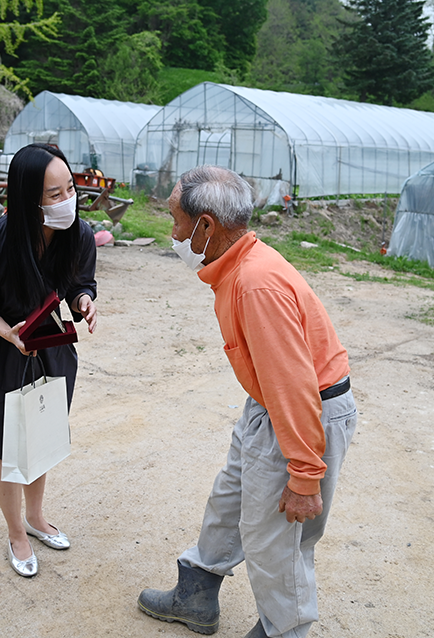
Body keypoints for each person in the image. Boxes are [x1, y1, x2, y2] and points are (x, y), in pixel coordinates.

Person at [138, 166, 357, 638]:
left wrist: (304, 475)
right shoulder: (239, 264)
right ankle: (195, 593)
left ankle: (285, 630)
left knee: (274, 542)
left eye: (176, 221)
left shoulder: (256, 285)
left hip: (300, 413)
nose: (172, 233)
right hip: (270, 407)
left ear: (206, 226)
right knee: (229, 500)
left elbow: (293, 385)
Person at [0, 143, 97, 577]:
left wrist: (84, 300)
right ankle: (16, 531)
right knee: (7, 444)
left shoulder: (80, 233)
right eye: (54, 195)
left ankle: (37, 519)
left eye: (70, 188)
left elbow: (80, 281)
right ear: (27, 201)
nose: (67, 200)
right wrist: (10, 332)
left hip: (49, 344)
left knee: (40, 435)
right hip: (0, 348)